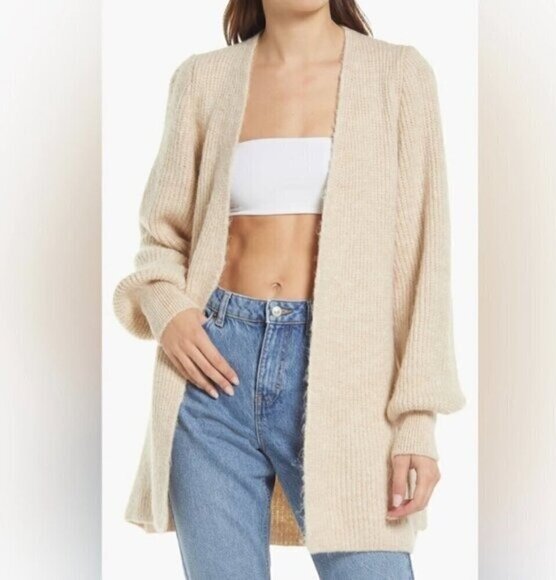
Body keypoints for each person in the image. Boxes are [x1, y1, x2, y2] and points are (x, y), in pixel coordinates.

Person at [112, 0, 467, 578]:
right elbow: (161, 238)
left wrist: (416, 421)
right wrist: (168, 309)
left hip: (351, 383)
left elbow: (424, 263)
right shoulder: (202, 80)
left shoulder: (399, 75)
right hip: (213, 374)